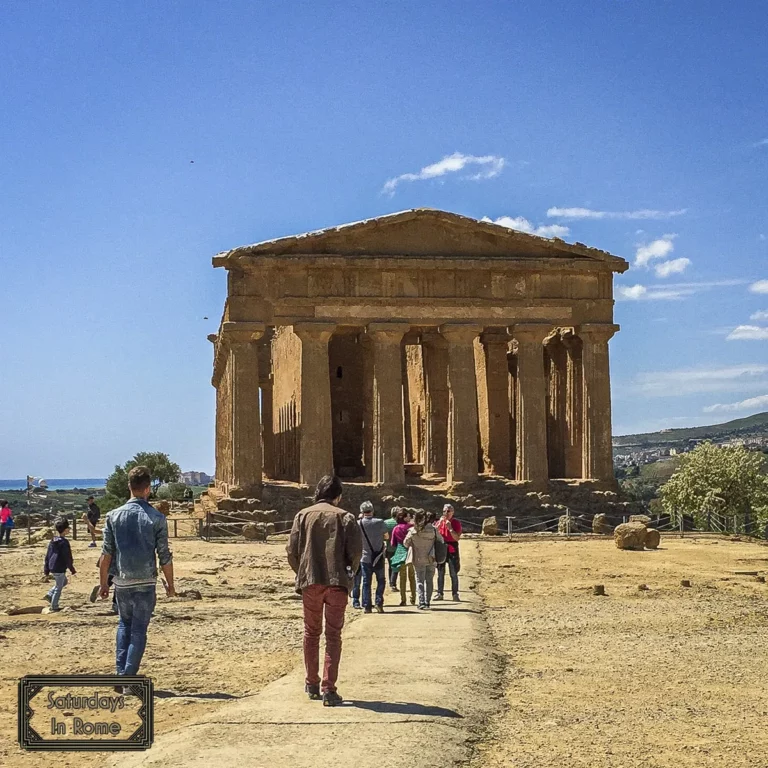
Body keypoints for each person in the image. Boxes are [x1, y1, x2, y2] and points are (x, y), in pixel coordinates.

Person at [287, 474, 362, 707]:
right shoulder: (346, 517)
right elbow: (356, 552)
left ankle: (311, 683)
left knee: (311, 632)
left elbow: (291, 550)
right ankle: (329, 688)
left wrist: (301, 572)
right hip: (337, 582)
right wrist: (350, 573)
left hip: (311, 581)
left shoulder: (302, 515)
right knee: (333, 635)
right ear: (338, 496)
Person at [100, 466, 176, 679]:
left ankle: (120, 672)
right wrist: (171, 586)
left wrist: (104, 583)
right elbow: (164, 556)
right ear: (147, 489)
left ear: (129, 487)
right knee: (139, 630)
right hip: (145, 581)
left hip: (122, 581)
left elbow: (106, 554)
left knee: (124, 625)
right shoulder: (156, 518)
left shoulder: (113, 516)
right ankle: (127, 677)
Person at [404, 510, 444, 610]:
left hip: (418, 558)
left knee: (420, 581)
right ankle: (427, 602)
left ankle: (421, 602)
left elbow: (405, 543)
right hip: (431, 557)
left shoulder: (413, 531)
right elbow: (441, 541)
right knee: (429, 580)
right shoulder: (434, 530)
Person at [358, 500, 387, 614]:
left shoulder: (358, 523)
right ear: (373, 511)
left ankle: (367, 606)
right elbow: (386, 536)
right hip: (378, 556)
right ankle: (379, 602)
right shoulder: (379, 522)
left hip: (365, 557)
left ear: (362, 511)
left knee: (366, 582)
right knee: (381, 580)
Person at [44, 517, 76, 611]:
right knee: (59, 587)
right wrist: (71, 568)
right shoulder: (64, 542)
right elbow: (67, 557)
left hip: (52, 566)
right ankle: (54, 606)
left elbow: (47, 555)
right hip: (59, 567)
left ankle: (50, 594)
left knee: (64, 582)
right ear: (65, 530)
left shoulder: (52, 541)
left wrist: (46, 569)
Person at [435, 504, 462, 601]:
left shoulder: (456, 523)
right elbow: (434, 535)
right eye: (444, 511)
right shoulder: (439, 522)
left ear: (452, 512)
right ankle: (439, 593)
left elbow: (457, 538)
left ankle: (455, 594)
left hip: (452, 548)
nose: (446, 513)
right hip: (441, 546)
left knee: (453, 572)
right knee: (440, 572)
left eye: (448, 511)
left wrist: (450, 528)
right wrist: (437, 526)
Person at [390, 508, 416, 607]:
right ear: (404, 518)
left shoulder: (396, 528)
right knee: (412, 577)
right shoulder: (412, 527)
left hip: (400, 553)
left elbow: (393, 543)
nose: (410, 517)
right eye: (408, 516)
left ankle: (403, 599)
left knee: (402, 578)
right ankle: (413, 598)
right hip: (411, 552)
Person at [384, 506, 400, 591]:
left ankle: (391, 582)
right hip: (398, 548)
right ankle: (393, 583)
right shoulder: (399, 523)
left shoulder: (385, 522)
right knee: (396, 566)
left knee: (390, 566)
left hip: (389, 547)